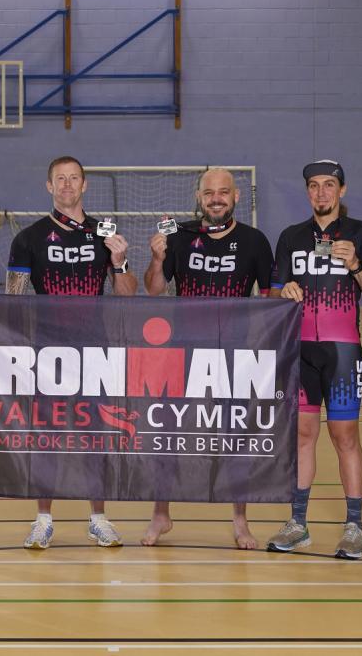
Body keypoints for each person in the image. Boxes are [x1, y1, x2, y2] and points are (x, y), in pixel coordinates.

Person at [6, 155, 138, 549]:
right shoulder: (28, 238)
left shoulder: (105, 234)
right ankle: (43, 519)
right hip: (47, 352)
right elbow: (13, 300)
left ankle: (98, 518)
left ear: (85, 185)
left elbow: (128, 294)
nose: (66, 185)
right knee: (46, 435)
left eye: (73, 178)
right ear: (49, 186)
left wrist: (119, 261)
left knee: (96, 434)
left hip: (94, 351)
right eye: (59, 179)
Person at [140, 167, 274, 549]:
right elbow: (154, 290)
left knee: (234, 437)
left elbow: (270, 298)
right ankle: (161, 515)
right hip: (182, 352)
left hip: (233, 355)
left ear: (235, 198)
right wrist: (155, 258)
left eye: (224, 192)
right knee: (168, 433)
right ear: (199, 198)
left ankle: (240, 520)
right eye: (209, 192)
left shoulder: (254, 241)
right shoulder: (178, 236)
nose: (216, 198)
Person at [267, 160, 362, 559]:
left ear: (342, 191)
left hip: (343, 351)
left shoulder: (360, 234)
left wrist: (356, 265)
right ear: (307, 192)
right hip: (300, 351)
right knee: (302, 436)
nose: (321, 193)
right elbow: (273, 292)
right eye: (314, 186)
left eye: (329, 185)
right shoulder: (291, 237)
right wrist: (284, 292)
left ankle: (355, 526)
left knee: (345, 437)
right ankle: (298, 523)